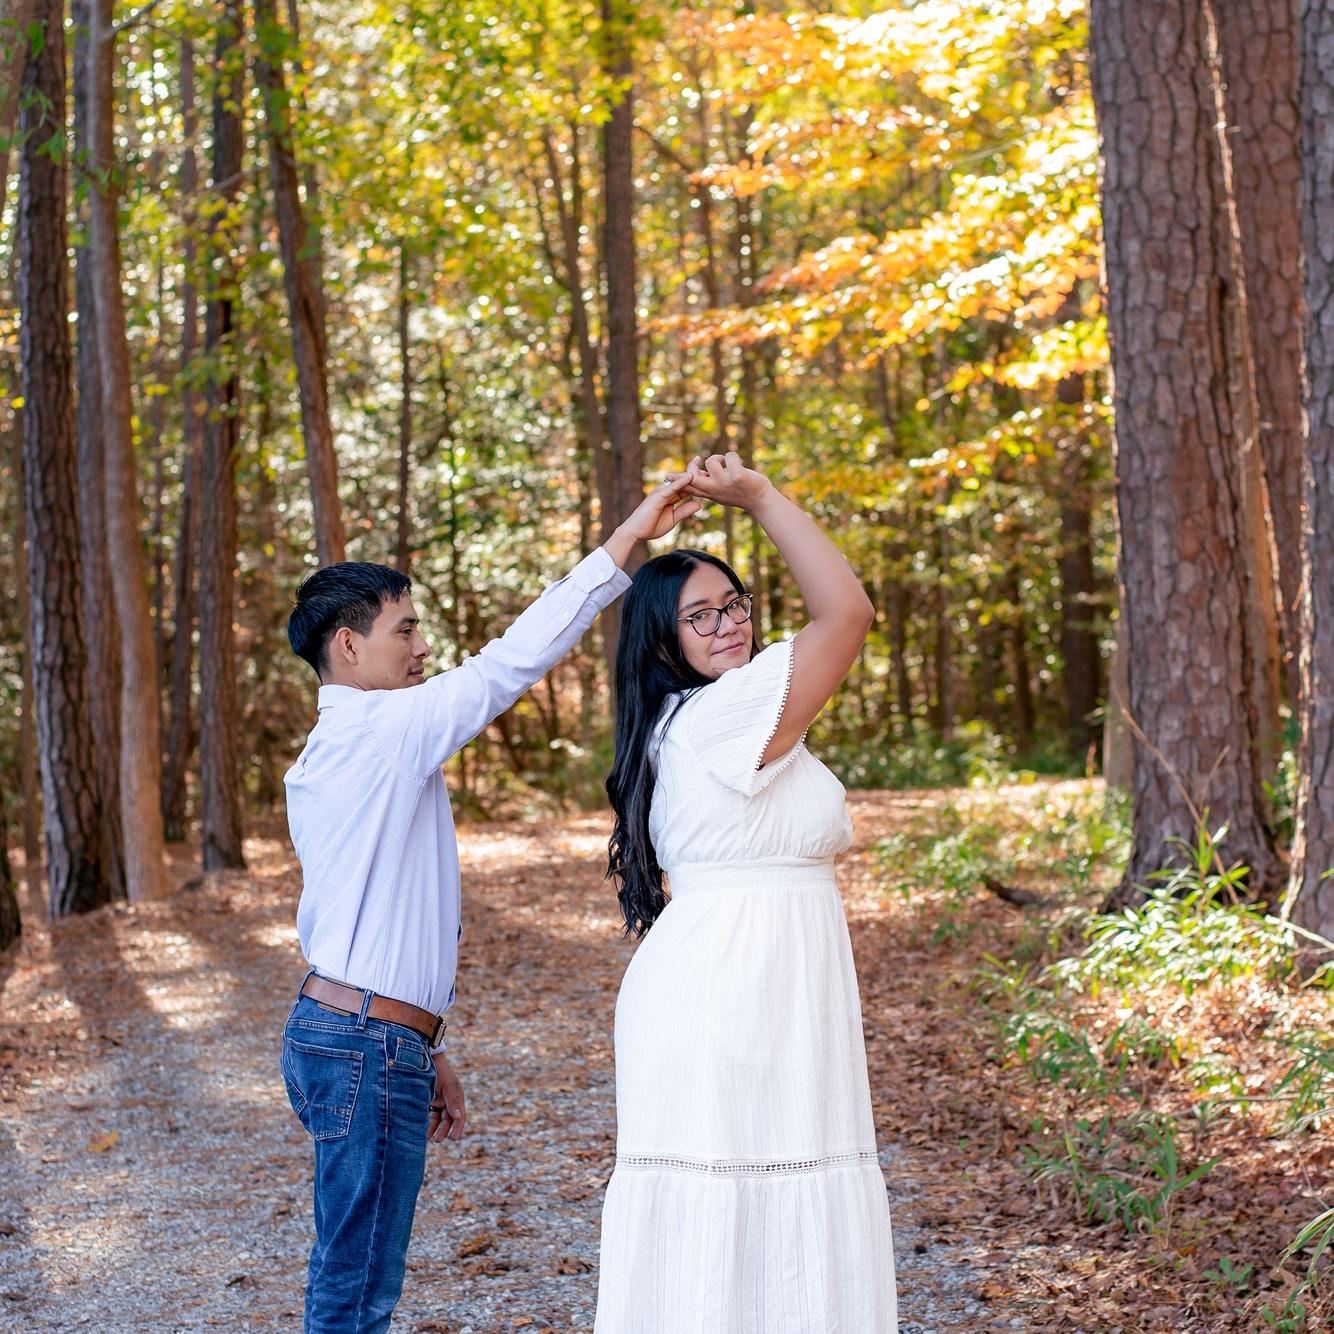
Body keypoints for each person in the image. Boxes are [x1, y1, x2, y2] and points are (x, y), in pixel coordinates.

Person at [279, 475, 699, 1334]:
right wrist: (629, 537)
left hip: (362, 1029)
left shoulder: (344, 745)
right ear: (348, 648)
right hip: (363, 1040)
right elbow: (513, 658)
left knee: (353, 1269)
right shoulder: (383, 731)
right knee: (356, 1288)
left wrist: (422, 1041)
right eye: (406, 628)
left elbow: (371, 910)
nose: (424, 645)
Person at [596, 452, 897, 1332]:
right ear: (664, 640)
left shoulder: (727, 713)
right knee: (738, 1213)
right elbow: (848, 613)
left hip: (767, 987)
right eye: (701, 616)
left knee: (768, 1217)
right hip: (730, 999)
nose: (728, 624)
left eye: (735, 604)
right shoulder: (717, 717)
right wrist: (760, 496)